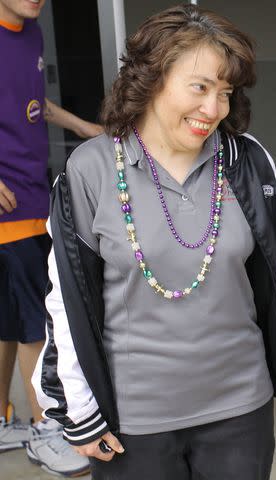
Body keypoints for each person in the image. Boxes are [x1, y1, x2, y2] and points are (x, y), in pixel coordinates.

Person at [31, 5, 276, 479]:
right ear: (152, 79)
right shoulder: (92, 169)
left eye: (225, 92)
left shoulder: (246, 162)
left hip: (240, 408)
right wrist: (77, 410)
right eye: (200, 87)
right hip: (134, 418)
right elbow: (66, 298)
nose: (214, 109)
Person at [0, 0, 102, 476]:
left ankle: (4, 420)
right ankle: (46, 430)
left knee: (8, 318)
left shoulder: (32, 32)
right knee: (35, 320)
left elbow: (37, 102)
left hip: (34, 190)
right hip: (9, 208)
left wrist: (85, 128)